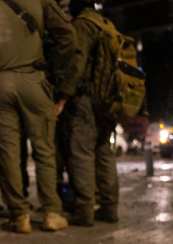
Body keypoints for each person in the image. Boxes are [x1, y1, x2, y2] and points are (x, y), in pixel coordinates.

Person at [0, 0, 76, 233]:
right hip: (33, 79)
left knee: (8, 152)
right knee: (44, 150)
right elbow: (67, 35)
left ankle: (19, 215)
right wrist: (55, 71)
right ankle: (51, 212)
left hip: (1, 83)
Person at [62, 0, 119, 225]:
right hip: (106, 101)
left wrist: (63, 96)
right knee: (104, 153)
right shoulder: (106, 24)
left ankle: (84, 210)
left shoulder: (82, 25)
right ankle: (110, 208)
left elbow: (77, 64)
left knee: (82, 153)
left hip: (86, 98)